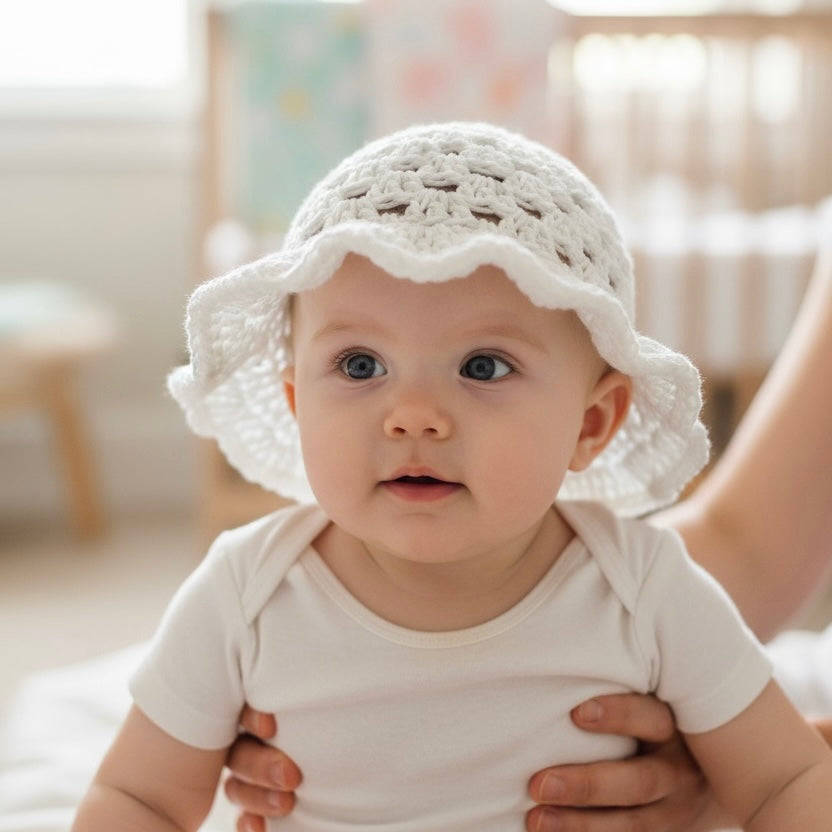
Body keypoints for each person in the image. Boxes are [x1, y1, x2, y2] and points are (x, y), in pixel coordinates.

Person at [71, 123, 832, 832]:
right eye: (360, 365)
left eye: (483, 367)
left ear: (591, 424)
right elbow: (139, 796)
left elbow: (785, 782)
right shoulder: (246, 593)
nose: (414, 417)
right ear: (297, 405)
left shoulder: (648, 591)